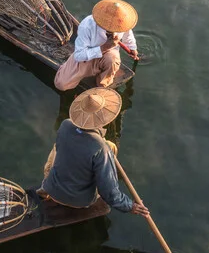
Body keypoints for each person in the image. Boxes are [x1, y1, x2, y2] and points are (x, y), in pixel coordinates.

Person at [40, 87, 149, 217]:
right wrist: (130, 206)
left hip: (52, 188)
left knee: (57, 148)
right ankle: (109, 170)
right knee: (108, 151)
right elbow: (109, 193)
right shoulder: (101, 149)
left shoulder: (66, 125)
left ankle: (47, 188)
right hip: (79, 201)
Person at [54, 0, 140, 91]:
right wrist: (104, 47)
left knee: (113, 59)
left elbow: (128, 34)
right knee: (61, 84)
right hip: (87, 56)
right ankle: (66, 68)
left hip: (107, 56)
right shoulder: (87, 26)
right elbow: (79, 55)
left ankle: (102, 83)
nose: (115, 29)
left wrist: (132, 48)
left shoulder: (122, 23)